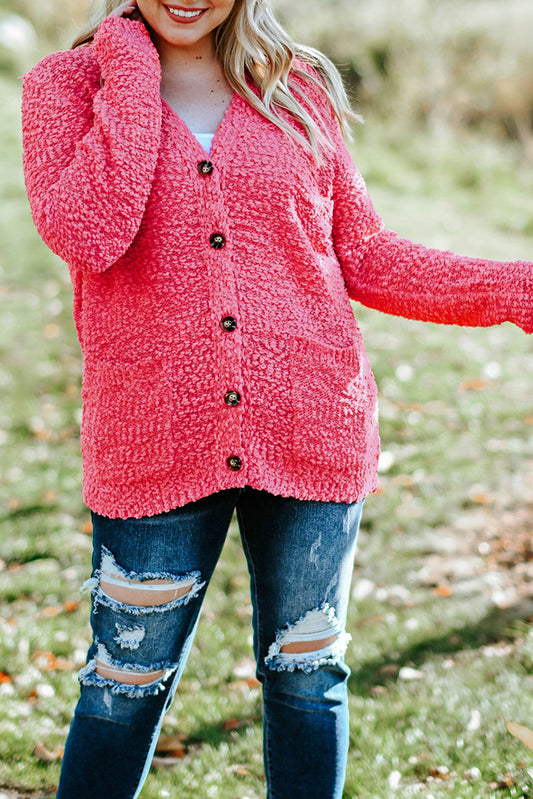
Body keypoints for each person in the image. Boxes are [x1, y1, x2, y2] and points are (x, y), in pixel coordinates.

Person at [20, 1, 532, 797]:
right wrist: (126, 61)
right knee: (123, 683)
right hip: (151, 437)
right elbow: (89, 232)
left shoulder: (294, 87)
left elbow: (361, 252)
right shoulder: (69, 85)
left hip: (311, 426)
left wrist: (513, 287)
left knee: (307, 674)